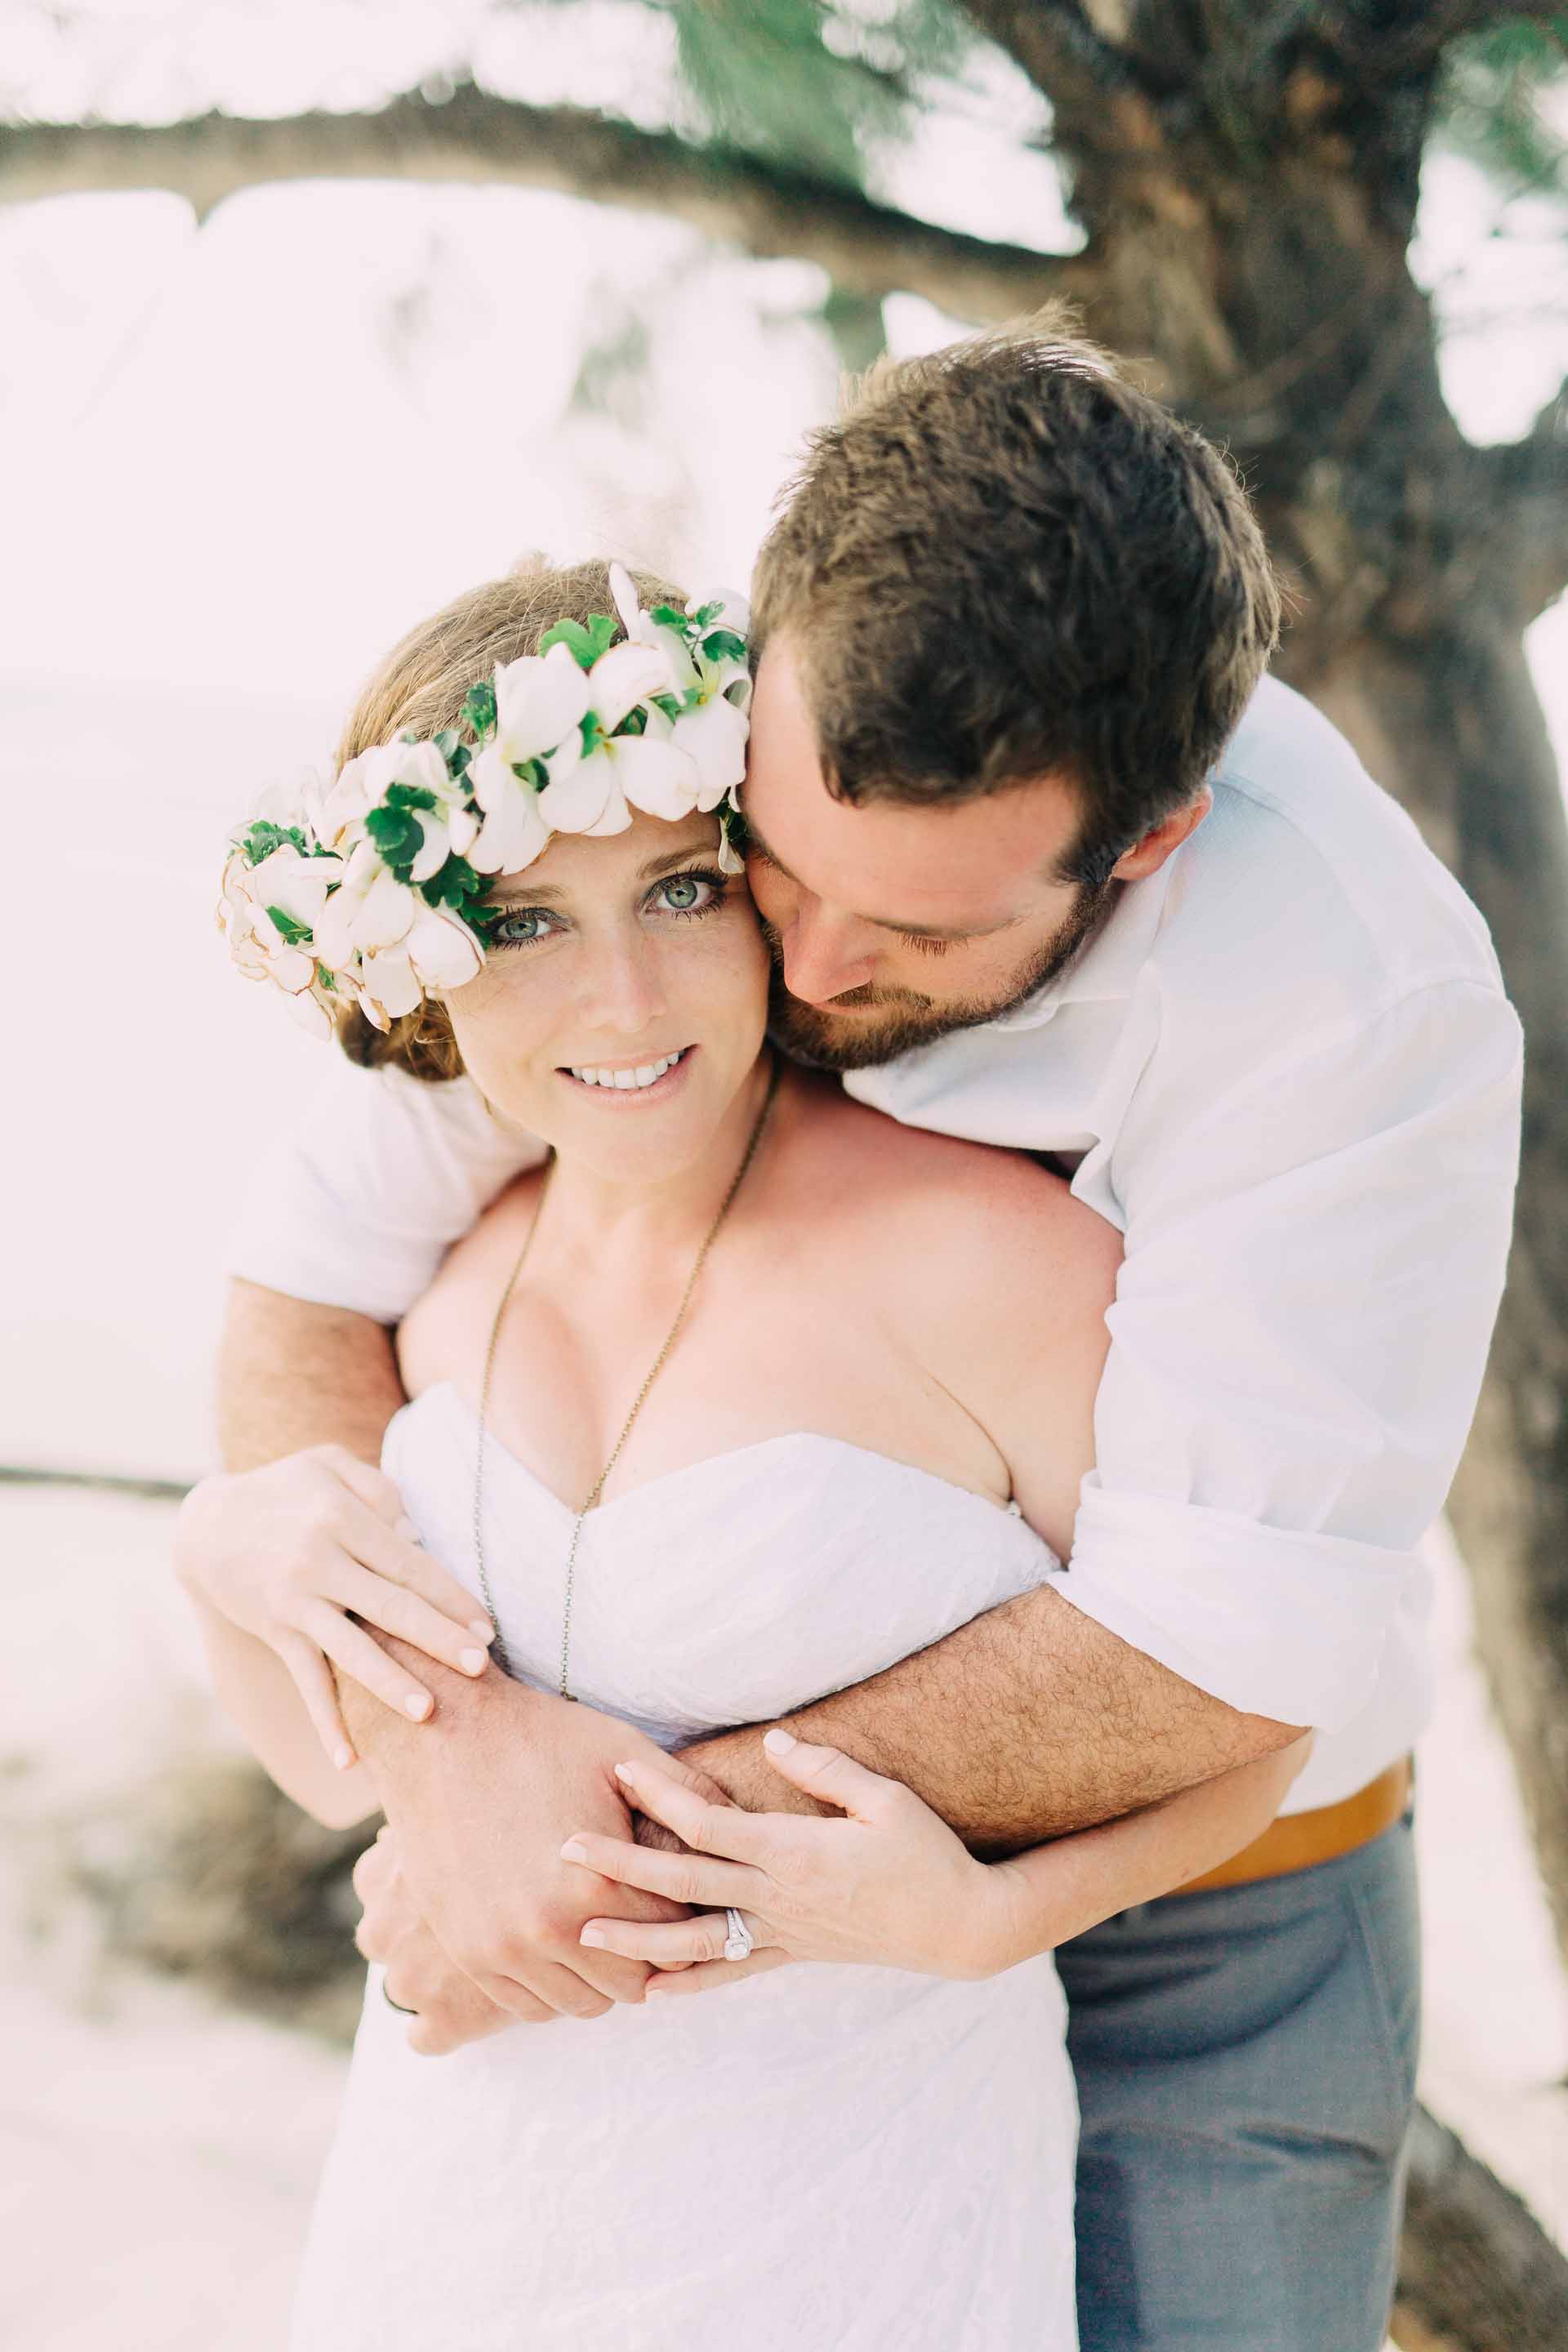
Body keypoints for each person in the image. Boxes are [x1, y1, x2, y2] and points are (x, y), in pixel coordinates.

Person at [192, 313, 1521, 2351]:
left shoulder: (1354, 1010)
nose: (797, 970)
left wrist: (592, 1846)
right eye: (773, 870)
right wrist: (458, 1753)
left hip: (1207, 1911)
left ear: (1143, 842)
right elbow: (314, 1280)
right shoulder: (648, 811)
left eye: (912, 938)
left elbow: (1217, 1648)